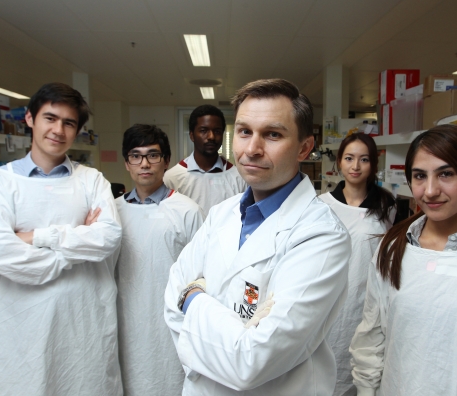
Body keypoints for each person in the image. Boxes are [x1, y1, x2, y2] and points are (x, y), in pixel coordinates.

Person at [164, 79, 352, 395]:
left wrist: (194, 298)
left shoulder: (321, 236)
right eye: (244, 131)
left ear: (305, 147)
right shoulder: (221, 214)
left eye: (273, 134)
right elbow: (171, 303)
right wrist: (232, 332)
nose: (252, 149)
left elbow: (250, 362)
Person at [350, 125, 457, 396]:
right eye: (420, 176)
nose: (430, 191)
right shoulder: (393, 248)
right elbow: (372, 338)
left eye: (446, 174)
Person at [0, 82, 123, 396]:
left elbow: (108, 237)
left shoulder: (91, 180)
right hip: (23, 327)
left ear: (77, 130)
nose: (58, 130)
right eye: (50, 118)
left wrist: (36, 237)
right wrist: (77, 245)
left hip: (83, 325)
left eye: (69, 123)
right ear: (30, 118)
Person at [115, 124, 204, 395]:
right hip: (125, 318)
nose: (145, 163)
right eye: (136, 155)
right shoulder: (113, 211)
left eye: (153, 155)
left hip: (171, 322)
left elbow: (200, 274)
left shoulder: (187, 210)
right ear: (127, 163)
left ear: (166, 161)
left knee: (169, 381)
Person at [319, 132, 396, 396]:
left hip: (367, 301)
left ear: (373, 164)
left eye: (364, 159)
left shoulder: (387, 205)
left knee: (363, 371)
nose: (355, 166)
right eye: (349, 158)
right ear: (339, 161)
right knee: (325, 368)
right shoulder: (321, 205)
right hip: (328, 300)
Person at [163, 104, 247, 214]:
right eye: (203, 130)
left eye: (217, 131)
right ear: (192, 135)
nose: (211, 136)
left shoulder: (238, 177)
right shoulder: (172, 178)